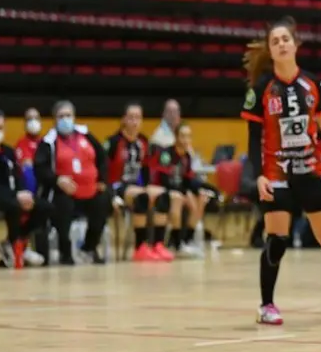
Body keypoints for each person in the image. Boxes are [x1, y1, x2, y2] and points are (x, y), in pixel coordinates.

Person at [241, 17, 321, 325]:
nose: (281, 44)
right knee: (277, 240)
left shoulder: (311, 83)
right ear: (270, 51)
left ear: (296, 45)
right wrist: (258, 174)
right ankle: (266, 305)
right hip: (276, 174)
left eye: (286, 39)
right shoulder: (261, 89)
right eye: (275, 41)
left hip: (309, 171)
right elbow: (253, 137)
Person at [34, 100, 112, 265]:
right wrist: (57, 180)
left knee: (104, 199)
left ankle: (89, 247)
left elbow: (103, 158)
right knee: (63, 204)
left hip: (90, 190)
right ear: (55, 119)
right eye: (61, 116)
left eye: (68, 115)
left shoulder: (86, 135)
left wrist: (102, 180)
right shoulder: (48, 142)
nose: (65, 119)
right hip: (64, 193)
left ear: (74, 117)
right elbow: (40, 169)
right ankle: (66, 252)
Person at [105, 103, 172, 262]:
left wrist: (149, 186)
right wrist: (110, 194)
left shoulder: (143, 142)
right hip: (118, 186)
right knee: (141, 196)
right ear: (124, 120)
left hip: (137, 185)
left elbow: (146, 168)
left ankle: (158, 245)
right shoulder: (113, 142)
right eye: (131, 117)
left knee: (163, 195)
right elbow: (104, 171)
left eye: (138, 118)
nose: (134, 122)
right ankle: (140, 247)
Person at [0, 108, 51, 267]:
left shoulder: (9, 152)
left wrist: (24, 192)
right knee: (14, 206)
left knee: (44, 207)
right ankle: (14, 244)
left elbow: (18, 176)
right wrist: (15, 196)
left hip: (13, 195)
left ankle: (16, 242)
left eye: (0, 128)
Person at [151, 122, 215, 258]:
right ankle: (177, 242)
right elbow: (164, 179)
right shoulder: (166, 154)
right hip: (163, 192)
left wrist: (204, 190)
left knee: (201, 198)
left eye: (188, 137)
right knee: (178, 198)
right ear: (176, 137)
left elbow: (189, 180)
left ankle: (188, 240)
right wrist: (184, 192)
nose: (186, 140)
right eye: (183, 136)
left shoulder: (187, 157)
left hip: (179, 190)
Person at [14, 107, 42, 193]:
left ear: (40, 122)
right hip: (29, 185)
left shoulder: (46, 142)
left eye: (36, 118)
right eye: (29, 119)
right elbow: (27, 164)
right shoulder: (21, 143)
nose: (33, 122)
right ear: (25, 124)